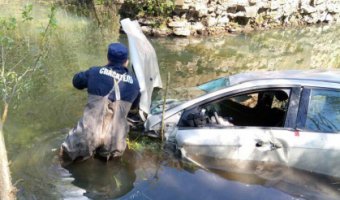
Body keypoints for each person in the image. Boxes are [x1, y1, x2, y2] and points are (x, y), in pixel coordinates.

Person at [60, 43, 140, 161]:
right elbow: (134, 107)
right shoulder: (135, 84)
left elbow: (76, 82)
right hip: (114, 140)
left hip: (88, 135)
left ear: (108, 58)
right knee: (106, 167)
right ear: (126, 61)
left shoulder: (95, 72)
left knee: (65, 158)